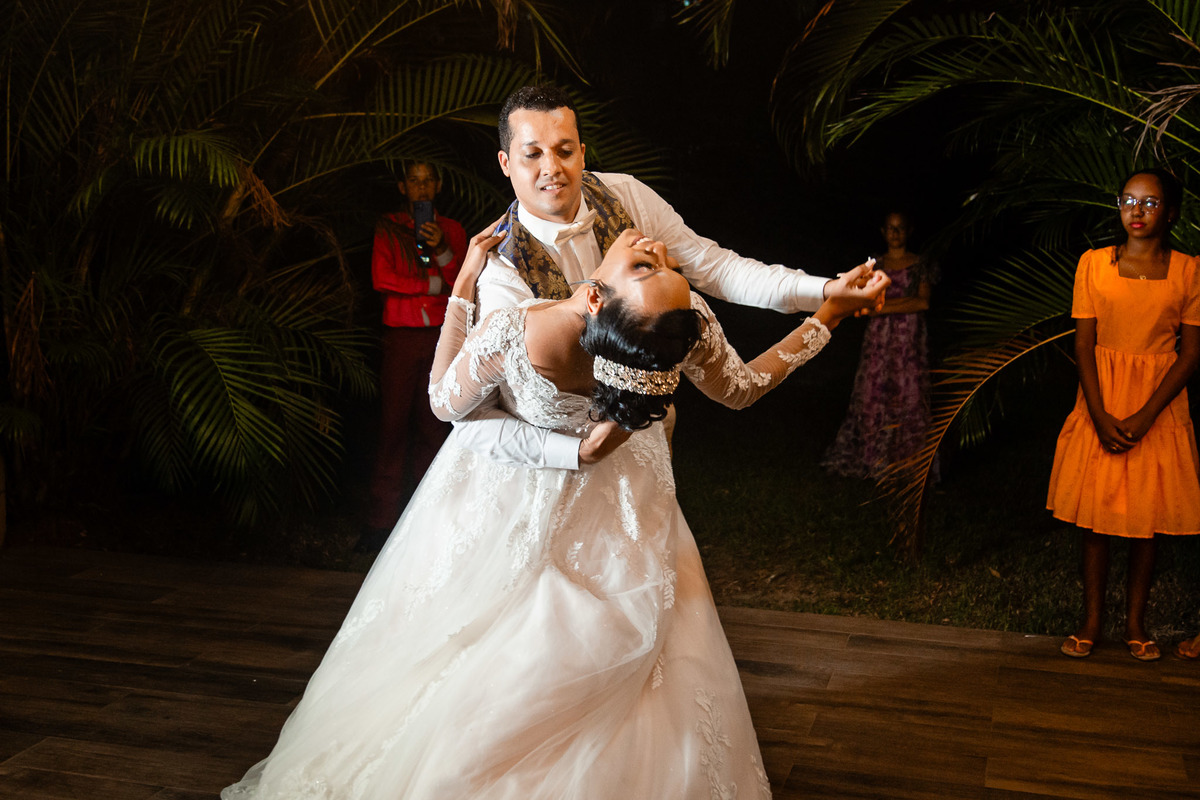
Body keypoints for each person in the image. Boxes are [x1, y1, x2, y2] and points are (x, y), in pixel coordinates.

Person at [220, 228, 881, 799]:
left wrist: (462, 285)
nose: (657, 255)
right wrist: (824, 320)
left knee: (501, 662)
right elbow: (739, 390)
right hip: (630, 509)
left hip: (521, 502)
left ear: (595, 295)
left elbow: (444, 404)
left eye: (654, 268)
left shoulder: (522, 328)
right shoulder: (672, 316)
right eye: (656, 267)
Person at [450, 84, 887, 471]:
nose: (552, 168)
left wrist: (825, 291)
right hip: (541, 469)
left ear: (583, 151)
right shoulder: (499, 269)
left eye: (565, 150)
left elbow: (713, 266)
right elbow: (469, 413)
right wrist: (576, 454)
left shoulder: (624, 194)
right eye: (533, 154)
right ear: (506, 163)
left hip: (643, 457)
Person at [1049, 168, 1200, 662]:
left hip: (1158, 403)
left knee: (1146, 519)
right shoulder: (1093, 264)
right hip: (1102, 396)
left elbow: (1191, 353)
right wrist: (1099, 411)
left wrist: (1146, 414)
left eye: (1150, 203)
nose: (1136, 211)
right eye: (1128, 200)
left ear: (1170, 212)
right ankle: (1091, 620)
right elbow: (1084, 343)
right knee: (1095, 519)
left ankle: (1137, 622)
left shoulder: (1187, 270)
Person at [361, 161, 466, 549]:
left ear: (438, 185)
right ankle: (379, 524)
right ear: (403, 187)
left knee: (433, 428)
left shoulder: (452, 231)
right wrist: (431, 283)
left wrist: (439, 248)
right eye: (414, 181)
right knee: (392, 427)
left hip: (440, 338)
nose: (421, 188)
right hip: (401, 337)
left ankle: (428, 523)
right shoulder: (388, 227)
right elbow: (381, 278)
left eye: (428, 181)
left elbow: (461, 283)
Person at [822, 210, 936, 478]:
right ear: (884, 232)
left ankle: (911, 464)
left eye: (900, 228)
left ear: (908, 231)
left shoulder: (920, 264)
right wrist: (885, 307)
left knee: (910, 394)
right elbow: (864, 305)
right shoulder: (875, 267)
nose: (895, 234)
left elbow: (922, 302)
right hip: (879, 341)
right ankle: (875, 459)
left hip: (909, 342)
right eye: (890, 229)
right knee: (874, 394)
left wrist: (882, 308)